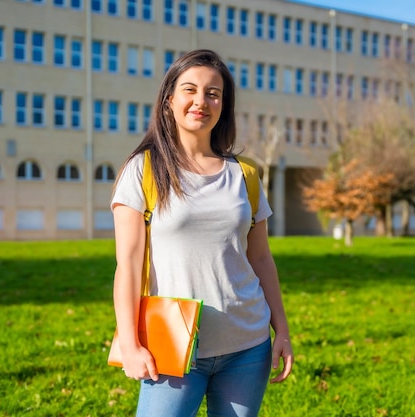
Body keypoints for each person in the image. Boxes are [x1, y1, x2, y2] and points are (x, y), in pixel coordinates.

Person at [110, 49, 293, 417]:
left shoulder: (245, 173)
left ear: (223, 105)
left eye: (213, 93)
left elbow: (260, 258)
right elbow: (127, 265)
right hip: (171, 348)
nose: (201, 101)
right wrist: (130, 343)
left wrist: (282, 331)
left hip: (247, 344)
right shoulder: (143, 170)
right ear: (169, 101)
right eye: (190, 90)